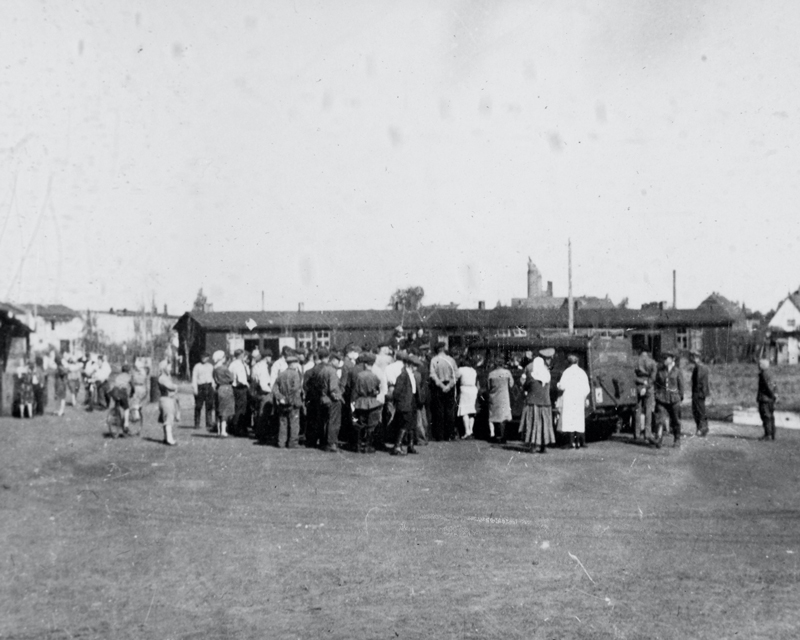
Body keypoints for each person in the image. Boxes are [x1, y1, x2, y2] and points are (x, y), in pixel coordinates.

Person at [520, 348, 556, 453]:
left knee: (533, 424)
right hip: (545, 402)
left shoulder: (530, 368)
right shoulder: (546, 371)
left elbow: (525, 384)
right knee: (545, 423)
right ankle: (543, 445)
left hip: (532, 401)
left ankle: (533, 445)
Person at [557, 354, 591, 449]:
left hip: (569, 399)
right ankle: (581, 442)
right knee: (579, 420)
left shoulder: (567, 372)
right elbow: (587, 388)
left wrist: (558, 385)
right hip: (579, 399)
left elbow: (562, 386)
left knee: (570, 420)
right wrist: (583, 396)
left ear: (568, 362)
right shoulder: (582, 372)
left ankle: (571, 442)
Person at [350, 352, 382, 453]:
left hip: (361, 402)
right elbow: (377, 390)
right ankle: (368, 446)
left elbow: (355, 390)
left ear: (365, 364)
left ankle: (358, 446)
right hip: (372, 402)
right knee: (371, 425)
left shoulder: (359, 376)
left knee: (360, 424)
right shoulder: (374, 376)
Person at [391, 354, 422, 456]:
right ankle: (397, 446)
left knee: (412, 424)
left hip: (412, 401)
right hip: (405, 402)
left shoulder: (412, 375)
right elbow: (397, 392)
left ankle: (410, 445)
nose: (416, 368)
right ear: (409, 365)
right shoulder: (403, 376)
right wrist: (399, 402)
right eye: (414, 365)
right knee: (404, 424)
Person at [654, 351, 684, 448]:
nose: (664, 360)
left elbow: (681, 386)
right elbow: (656, 384)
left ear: (672, 359)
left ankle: (677, 439)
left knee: (676, 420)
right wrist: (656, 394)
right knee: (660, 420)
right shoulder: (660, 371)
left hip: (674, 400)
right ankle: (659, 439)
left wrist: (679, 397)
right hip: (661, 399)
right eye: (664, 358)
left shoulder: (677, 371)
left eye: (666, 358)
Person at [273, 354, 304, 448]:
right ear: (293, 364)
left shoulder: (281, 374)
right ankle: (293, 443)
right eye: (296, 363)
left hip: (283, 403)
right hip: (293, 403)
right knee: (294, 423)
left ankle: (281, 442)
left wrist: (281, 398)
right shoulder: (295, 374)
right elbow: (295, 389)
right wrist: (289, 399)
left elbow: (275, 388)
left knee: (283, 423)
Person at [429, 343, 458, 441]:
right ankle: (449, 434)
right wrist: (449, 386)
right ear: (443, 349)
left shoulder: (434, 360)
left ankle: (439, 435)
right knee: (450, 411)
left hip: (439, 386)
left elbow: (432, 375)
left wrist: (441, 386)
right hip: (449, 386)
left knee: (439, 411)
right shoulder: (451, 360)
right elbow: (456, 375)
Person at [487, 358, 514, 443]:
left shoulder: (491, 374)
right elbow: (511, 384)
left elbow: (488, 386)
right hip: (504, 396)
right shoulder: (507, 373)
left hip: (494, 396)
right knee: (503, 416)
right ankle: (502, 436)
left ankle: (494, 435)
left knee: (493, 416)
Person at [250, 348, 274, 443]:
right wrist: (271, 391)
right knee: (264, 413)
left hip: (258, 391)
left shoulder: (256, 366)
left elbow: (254, 379)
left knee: (259, 412)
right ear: (266, 357)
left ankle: (259, 432)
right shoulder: (264, 368)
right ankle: (262, 435)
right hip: (265, 391)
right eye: (270, 356)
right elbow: (264, 383)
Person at [633, 347, 657, 441]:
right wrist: (646, 384)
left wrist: (641, 382)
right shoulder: (652, 362)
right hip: (649, 387)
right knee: (648, 411)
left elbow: (633, 376)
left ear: (640, 351)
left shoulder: (635, 361)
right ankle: (647, 433)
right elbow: (653, 377)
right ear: (648, 352)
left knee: (637, 411)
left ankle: (637, 433)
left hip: (638, 386)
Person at [191, 352, 216, 431]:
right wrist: (194, 388)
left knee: (209, 405)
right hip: (200, 387)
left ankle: (209, 422)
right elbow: (194, 378)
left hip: (209, 386)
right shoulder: (197, 366)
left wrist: (213, 386)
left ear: (208, 358)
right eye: (202, 357)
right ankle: (197, 423)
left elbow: (213, 377)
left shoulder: (211, 366)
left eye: (205, 357)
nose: (204, 359)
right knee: (198, 406)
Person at [456, 355, 479, 439]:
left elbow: (455, 378)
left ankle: (467, 431)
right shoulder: (473, 370)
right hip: (473, 389)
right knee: (471, 411)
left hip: (464, 389)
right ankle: (471, 430)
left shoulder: (460, 370)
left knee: (464, 410)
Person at [228, 349, 250, 437]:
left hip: (234, 388)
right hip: (240, 388)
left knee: (237, 407)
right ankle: (238, 429)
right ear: (241, 355)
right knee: (241, 409)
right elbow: (241, 379)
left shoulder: (232, 364)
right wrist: (247, 384)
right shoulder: (239, 365)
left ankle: (235, 427)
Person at [212, 350, 234, 437]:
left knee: (218, 410)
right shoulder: (224, 368)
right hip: (226, 388)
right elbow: (231, 378)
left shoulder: (215, 369)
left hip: (218, 388)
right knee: (224, 410)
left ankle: (218, 430)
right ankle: (223, 431)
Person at [157, 361, 179, 446]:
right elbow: (171, 386)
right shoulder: (162, 378)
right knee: (168, 420)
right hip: (166, 399)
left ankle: (166, 438)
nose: (170, 368)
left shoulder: (166, 376)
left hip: (168, 399)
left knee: (167, 419)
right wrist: (175, 386)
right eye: (169, 367)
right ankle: (169, 439)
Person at [109, 364, 136, 433]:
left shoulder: (118, 376)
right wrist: (132, 393)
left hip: (114, 391)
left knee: (118, 404)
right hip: (121, 392)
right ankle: (126, 425)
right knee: (126, 408)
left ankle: (116, 416)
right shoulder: (129, 376)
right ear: (128, 371)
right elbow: (132, 387)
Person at [690, 350, 710, 437]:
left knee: (700, 411)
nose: (693, 359)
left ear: (697, 358)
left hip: (699, 393)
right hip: (699, 392)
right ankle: (701, 428)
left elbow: (700, 382)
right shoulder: (699, 367)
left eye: (694, 357)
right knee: (697, 411)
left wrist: (699, 393)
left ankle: (702, 429)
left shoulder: (700, 368)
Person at [757, 358, 777, 441]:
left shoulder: (763, 374)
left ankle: (768, 434)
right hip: (770, 399)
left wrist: (771, 395)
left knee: (766, 416)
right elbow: (774, 385)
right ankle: (771, 434)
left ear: (762, 366)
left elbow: (767, 387)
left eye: (759, 364)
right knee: (770, 416)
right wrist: (775, 395)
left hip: (765, 398)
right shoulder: (770, 373)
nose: (758, 366)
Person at [130, 359, 149, 424]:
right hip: (142, 387)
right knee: (138, 400)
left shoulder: (136, 373)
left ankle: (136, 416)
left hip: (138, 387)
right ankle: (138, 409)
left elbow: (132, 380)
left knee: (134, 401)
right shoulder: (144, 372)